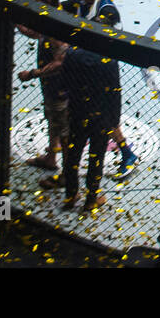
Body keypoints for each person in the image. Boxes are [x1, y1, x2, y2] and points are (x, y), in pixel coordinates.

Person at [59, 0, 138, 180]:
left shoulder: (107, 11)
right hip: (86, 71)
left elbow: (93, 40)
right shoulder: (81, 2)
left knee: (108, 119)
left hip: (103, 74)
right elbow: (57, 9)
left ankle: (127, 154)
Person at [53, 41, 121, 213]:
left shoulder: (73, 54)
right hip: (101, 116)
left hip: (78, 111)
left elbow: (63, 83)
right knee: (96, 157)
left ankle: (71, 195)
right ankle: (91, 199)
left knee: (73, 154)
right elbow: (114, 92)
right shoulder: (110, 61)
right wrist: (114, 121)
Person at [15, 0, 68, 178]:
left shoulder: (56, 26)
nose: (36, 3)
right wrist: (16, 21)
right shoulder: (49, 18)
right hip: (50, 86)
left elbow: (60, 61)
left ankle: (67, 176)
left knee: (63, 129)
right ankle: (51, 158)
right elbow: (36, 32)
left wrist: (33, 73)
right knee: (52, 121)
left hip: (60, 87)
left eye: (38, 0)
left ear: (47, 1)